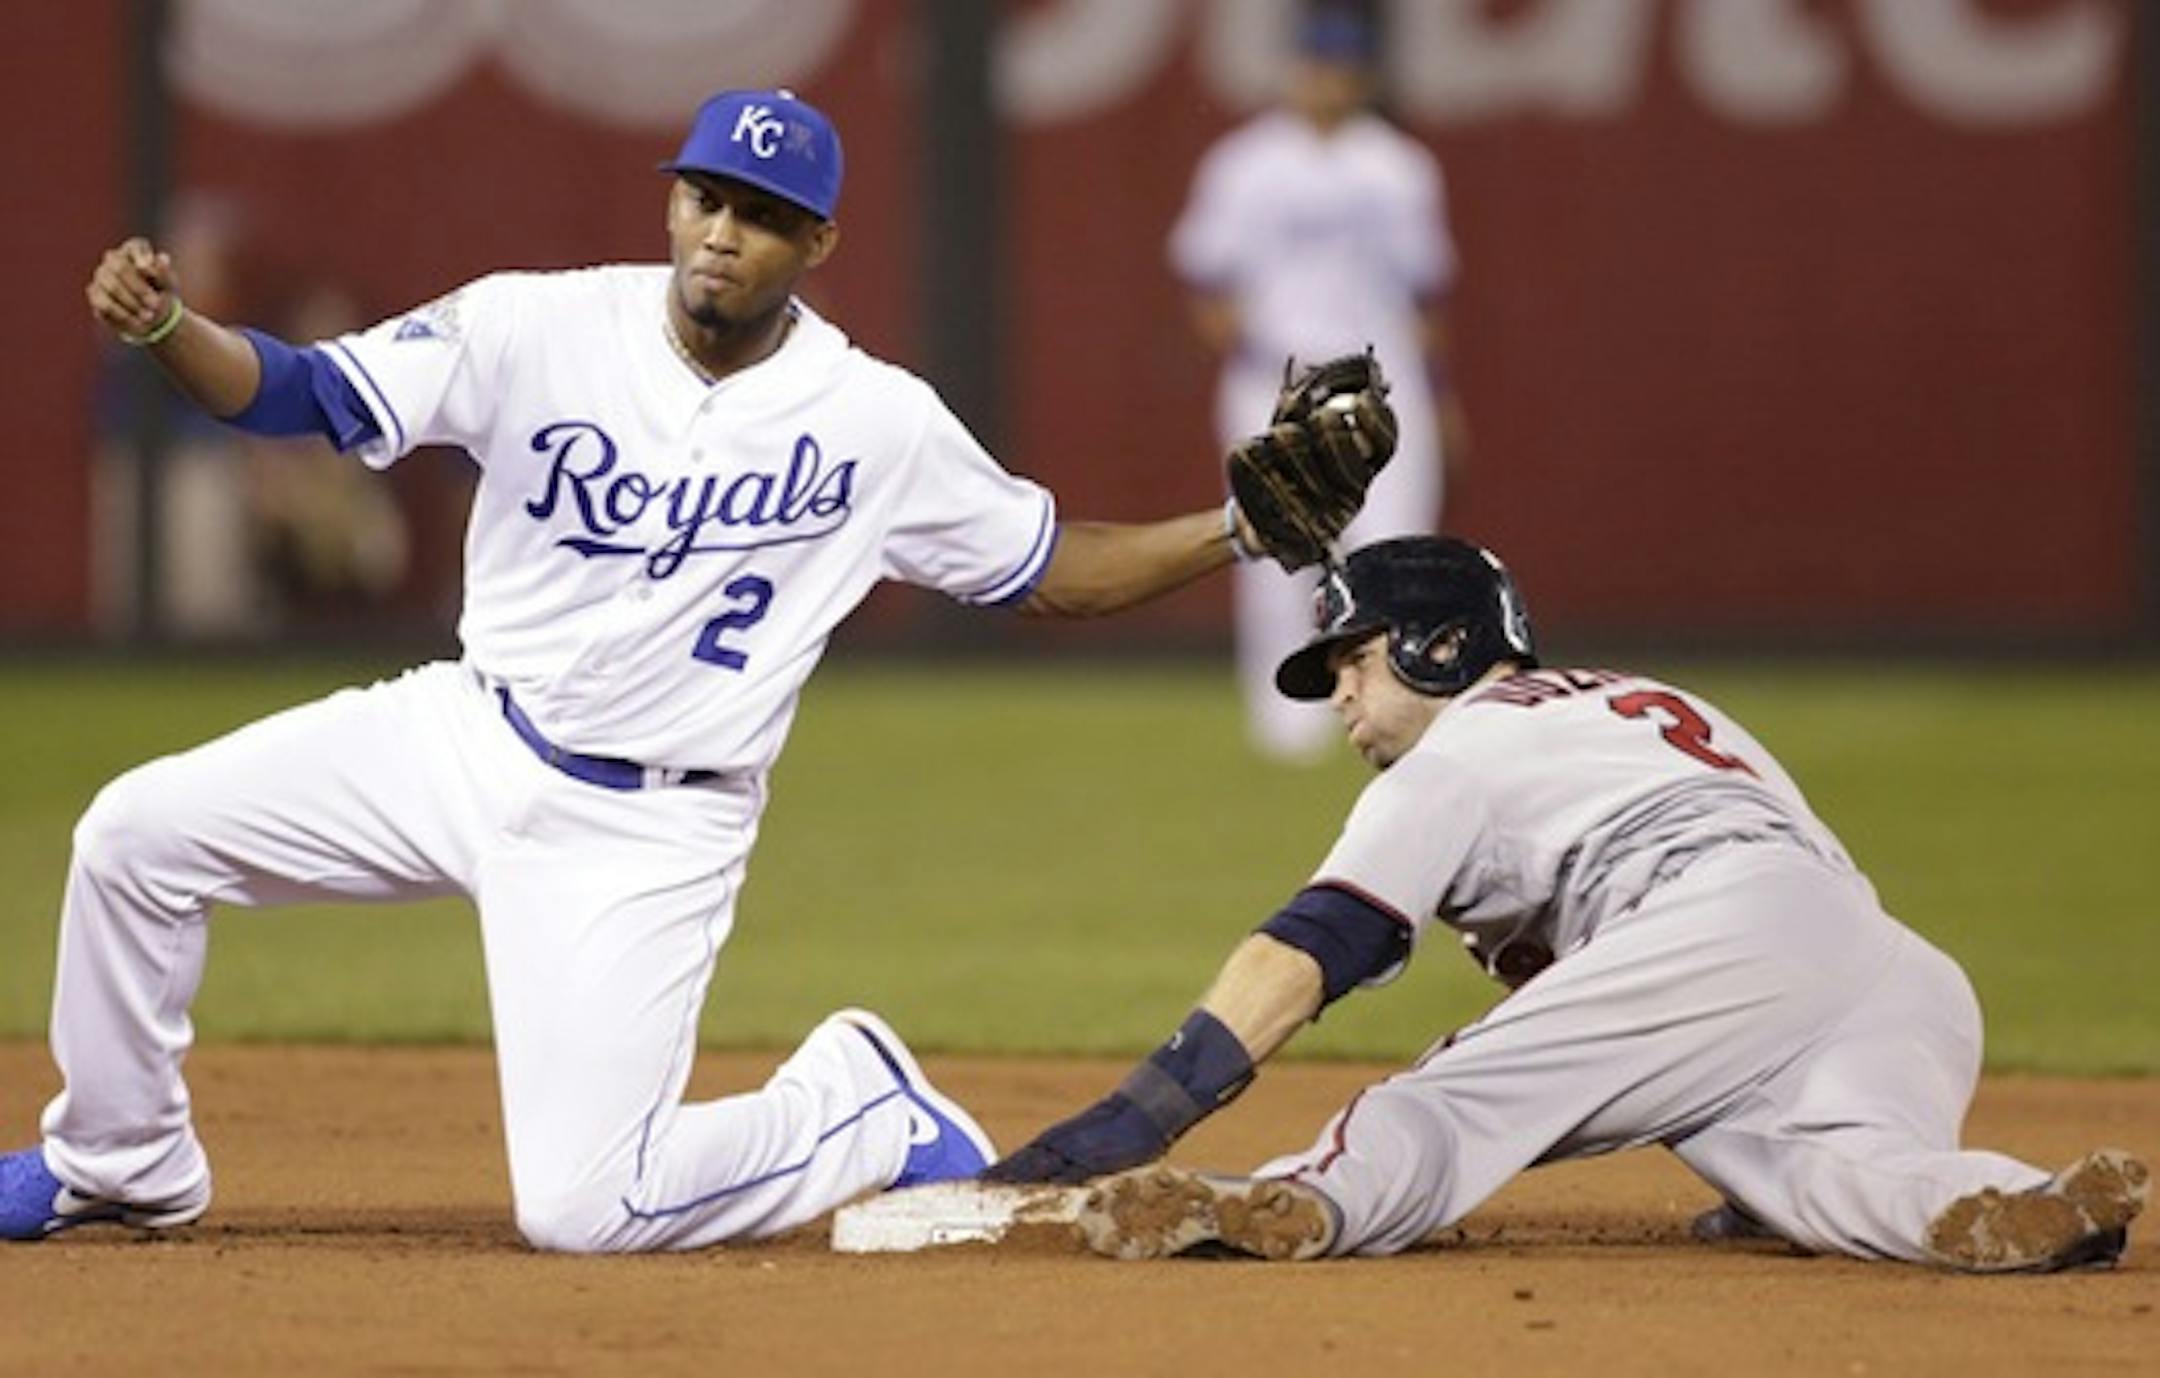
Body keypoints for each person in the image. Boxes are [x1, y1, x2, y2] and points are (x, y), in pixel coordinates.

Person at [0, 88, 1334, 1253]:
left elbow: (1049, 561)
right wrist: (172, 325)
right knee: (133, 836)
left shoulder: (874, 418)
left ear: (816, 244)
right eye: (703, 195)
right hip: (465, 731)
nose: (718, 230)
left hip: (645, 824)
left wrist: (1232, 527)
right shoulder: (536, 327)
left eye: (758, 213)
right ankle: (119, 1164)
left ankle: (856, 1099)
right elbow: (297, 392)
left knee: (585, 1209)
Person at [986, 536, 2150, 1273]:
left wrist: (1140, 1114)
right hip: (1895, 975)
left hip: (1720, 932)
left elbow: (1317, 945)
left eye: (1356, 658)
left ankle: (1303, 1201)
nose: (1337, 691)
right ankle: (2011, 1203)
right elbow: (1794, 900)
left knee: (1445, 1106)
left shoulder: (1461, 752)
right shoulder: (1641, 698)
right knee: (1818, 1176)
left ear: (1442, 648)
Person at [1169, 6, 1465, 762]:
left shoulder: (1398, 166)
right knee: (1276, 548)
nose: (1326, 80)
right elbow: (1206, 283)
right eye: (1315, 64)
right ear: (1295, 69)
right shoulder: (1246, 163)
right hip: (1280, 380)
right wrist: (1257, 363)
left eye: (1340, 67)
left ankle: (1404, 714)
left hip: (1381, 386)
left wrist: (1440, 395)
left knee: (1397, 551)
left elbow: (1424, 297)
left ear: (1361, 76)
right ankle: (1286, 729)